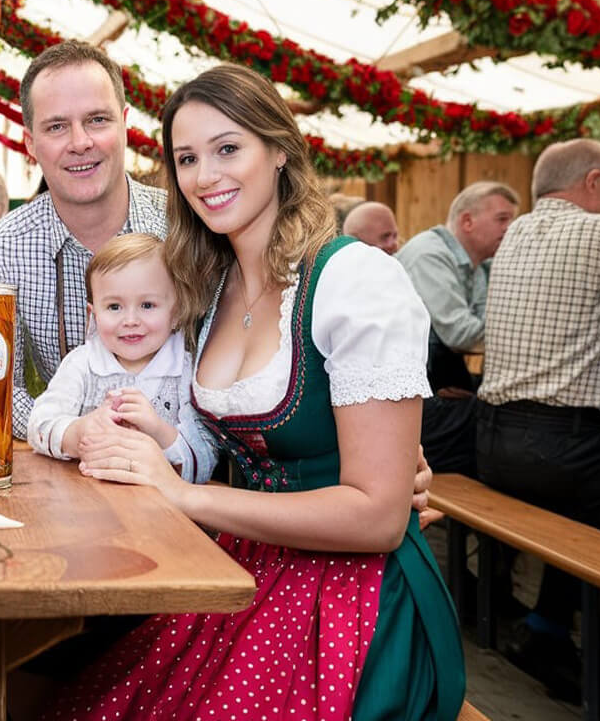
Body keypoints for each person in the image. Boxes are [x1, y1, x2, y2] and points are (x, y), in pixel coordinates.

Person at [43, 64, 464, 720]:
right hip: (244, 565)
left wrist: (185, 494)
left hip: (350, 598)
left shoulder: (353, 280)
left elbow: (379, 519)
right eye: (187, 159)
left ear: (279, 150)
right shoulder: (210, 286)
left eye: (228, 148)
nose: (205, 175)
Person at [0, 40, 167, 439]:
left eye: (97, 120)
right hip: (62, 462)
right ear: (30, 143)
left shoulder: (181, 229)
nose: (80, 142)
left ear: (124, 124)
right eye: (57, 126)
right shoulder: (1, 249)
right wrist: (68, 434)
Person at [475, 138, 600, 701]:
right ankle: (555, 635)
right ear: (594, 181)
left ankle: (542, 624)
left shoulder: (516, 234)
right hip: (561, 452)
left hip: (493, 439)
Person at [26, 233, 215, 483]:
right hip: (89, 493)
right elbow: (38, 426)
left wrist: (159, 430)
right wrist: (78, 433)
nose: (130, 320)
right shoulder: (83, 363)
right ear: (94, 315)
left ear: (177, 311)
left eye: (147, 305)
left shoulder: (186, 371)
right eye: (114, 307)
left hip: (160, 501)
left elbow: (204, 460)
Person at [397, 181, 518, 478]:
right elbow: (461, 334)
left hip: (430, 383)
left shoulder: (479, 265)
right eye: (502, 219)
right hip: (400, 404)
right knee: (503, 420)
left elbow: (480, 326)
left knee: (503, 405)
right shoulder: (428, 254)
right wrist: (524, 334)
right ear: (467, 221)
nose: (510, 228)